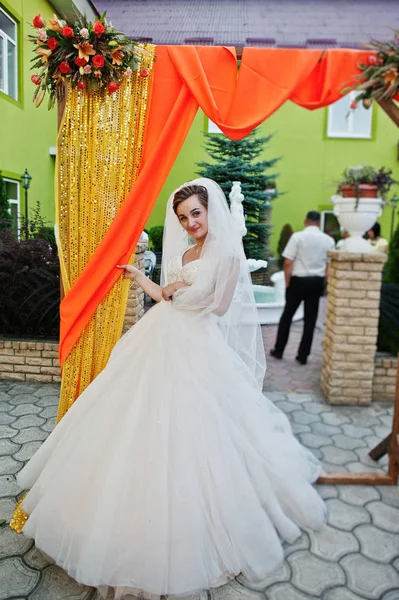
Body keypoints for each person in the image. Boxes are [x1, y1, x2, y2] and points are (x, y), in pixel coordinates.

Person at [14, 180, 327, 600]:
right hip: (159, 336)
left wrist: (184, 292)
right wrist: (140, 275)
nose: (190, 222)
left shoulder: (229, 253)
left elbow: (217, 306)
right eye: (183, 217)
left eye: (196, 213)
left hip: (197, 346)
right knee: (131, 420)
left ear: (210, 210)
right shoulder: (182, 253)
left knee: (193, 433)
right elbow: (164, 296)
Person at [270, 211, 335, 365]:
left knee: (287, 317)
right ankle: (303, 356)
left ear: (306, 221)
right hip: (316, 281)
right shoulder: (328, 240)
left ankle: (279, 351)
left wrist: (287, 282)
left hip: (298, 281)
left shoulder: (297, 237)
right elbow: (329, 265)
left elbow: (288, 262)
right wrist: (324, 281)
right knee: (310, 320)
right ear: (319, 223)